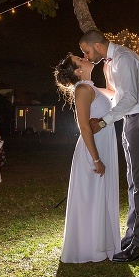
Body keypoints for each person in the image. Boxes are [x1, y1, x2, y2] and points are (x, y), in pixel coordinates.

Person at [80, 29, 139, 263]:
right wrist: (89, 90)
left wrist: (104, 121)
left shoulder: (124, 58)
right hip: (131, 120)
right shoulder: (108, 64)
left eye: (86, 51)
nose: (85, 55)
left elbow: (131, 98)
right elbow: (116, 94)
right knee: (134, 180)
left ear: (97, 45)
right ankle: (132, 235)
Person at [54, 54, 119, 263]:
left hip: (104, 143)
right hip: (93, 149)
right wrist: (96, 159)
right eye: (79, 59)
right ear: (77, 71)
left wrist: (107, 71)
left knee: (101, 195)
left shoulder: (91, 87)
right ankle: (89, 248)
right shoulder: (82, 90)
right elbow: (83, 126)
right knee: (91, 197)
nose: (85, 57)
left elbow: (114, 94)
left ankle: (103, 244)